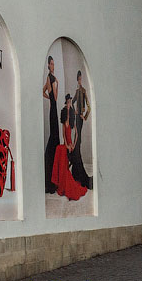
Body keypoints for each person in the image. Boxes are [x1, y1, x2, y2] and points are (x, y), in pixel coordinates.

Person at [51, 95, 87, 201]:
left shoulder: (72, 120)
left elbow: (76, 133)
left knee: (61, 153)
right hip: (66, 144)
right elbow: (63, 135)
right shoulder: (64, 120)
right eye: (68, 102)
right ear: (66, 103)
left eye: (70, 102)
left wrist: (73, 144)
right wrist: (67, 145)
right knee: (60, 150)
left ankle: (64, 183)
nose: (69, 104)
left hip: (70, 144)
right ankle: (61, 183)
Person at [71, 70, 92, 189]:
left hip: (80, 119)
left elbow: (89, 106)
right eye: (78, 79)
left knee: (78, 141)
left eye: (80, 78)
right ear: (77, 79)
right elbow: (72, 102)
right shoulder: (77, 91)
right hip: (76, 119)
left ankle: (78, 172)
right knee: (77, 142)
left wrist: (85, 116)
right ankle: (76, 171)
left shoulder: (83, 91)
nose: (79, 80)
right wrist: (74, 111)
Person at [42, 56, 59, 194]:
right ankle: (51, 180)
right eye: (51, 64)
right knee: (54, 139)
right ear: (48, 65)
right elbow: (56, 97)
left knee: (53, 139)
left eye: (54, 64)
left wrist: (49, 98)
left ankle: (49, 174)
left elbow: (43, 92)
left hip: (52, 109)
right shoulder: (52, 79)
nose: (53, 66)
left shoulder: (48, 78)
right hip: (53, 110)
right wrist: (56, 84)